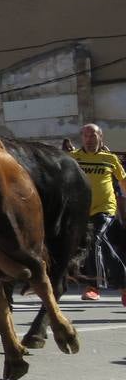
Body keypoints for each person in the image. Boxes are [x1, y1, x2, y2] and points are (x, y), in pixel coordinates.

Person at [71, 123, 126, 303]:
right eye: (86, 135)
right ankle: (123, 283)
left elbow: (123, 181)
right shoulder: (73, 158)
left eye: (93, 135)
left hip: (105, 209)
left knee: (95, 239)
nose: (89, 139)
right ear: (81, 138)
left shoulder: (110, 159)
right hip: (82, 210)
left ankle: (93, 286)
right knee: (95, 244)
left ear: (100, 137)